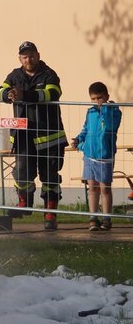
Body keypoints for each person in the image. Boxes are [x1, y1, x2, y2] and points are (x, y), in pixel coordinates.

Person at [0, 41, 69, 230]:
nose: (29, 59)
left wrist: (25, 95)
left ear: (38, 55)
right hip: (23, 136)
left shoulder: (49, 74)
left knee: (50, 176)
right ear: (20, 58)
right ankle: (24, 204)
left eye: (32, 55)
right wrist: (7, 95)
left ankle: (50, 213)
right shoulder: (14, 75)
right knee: (21, 173)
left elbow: (53, 93)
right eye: (25, 56)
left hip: (48, 135)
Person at [68, 82, 122, 231]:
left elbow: (111, 126)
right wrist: (79, 140)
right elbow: (86, 129)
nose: (97, 101)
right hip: (89, 155)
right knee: (92, 187)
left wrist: (105, 108)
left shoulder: (114, 111)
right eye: (94, 98)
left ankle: (106, 219)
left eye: (100, 98)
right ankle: (93, 218)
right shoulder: (90, 112)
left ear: (107, 97)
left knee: (105, 188)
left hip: (105, 156)